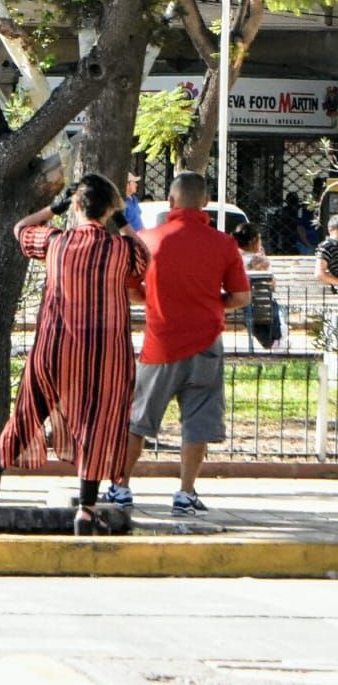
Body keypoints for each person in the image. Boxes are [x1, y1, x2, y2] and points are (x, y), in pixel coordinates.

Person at [0, 175, 149, 535]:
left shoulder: (55, 241)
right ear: (108, 210)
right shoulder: (119, 250)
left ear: (76, 206)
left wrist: (55, 206)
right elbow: (143, 257)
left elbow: (20, 228)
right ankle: (87, 509)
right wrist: (121, 219)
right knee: (98, 423)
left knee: (27, 417)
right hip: (105, 353)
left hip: (54, 347)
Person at [106, 172, 251, 516]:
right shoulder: (224, 244)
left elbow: (129, 289)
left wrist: (152, 299)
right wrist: (215, 303)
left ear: (170, 202)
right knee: (198, 421)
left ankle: (121, 487)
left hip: (161, 343)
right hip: (206, 344)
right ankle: (186, 492)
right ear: (205, 202)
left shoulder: (148, 240)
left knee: (138, 419)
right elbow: (242, 297)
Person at [234, 222, 282, 351]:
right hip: (261, 305)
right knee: (270, 307)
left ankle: (270, 342)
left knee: (253, 312)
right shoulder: (261, 260)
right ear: (254, 241)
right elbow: (273, 285)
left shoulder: (232, 257)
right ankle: (274, 340)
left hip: (238, 304)